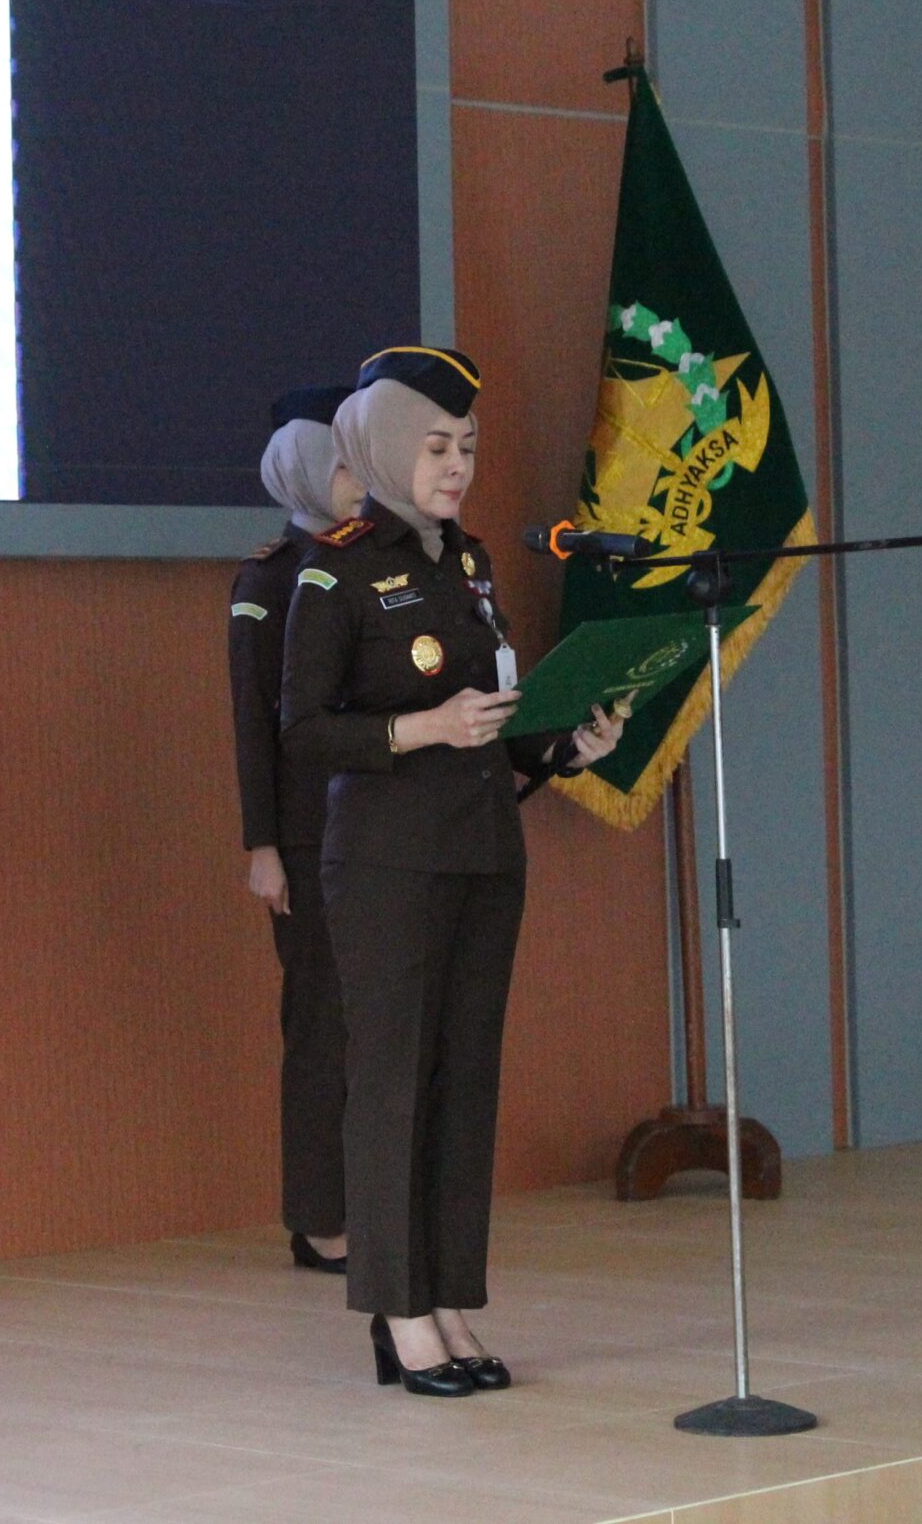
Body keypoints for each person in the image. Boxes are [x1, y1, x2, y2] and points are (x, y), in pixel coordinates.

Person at [281, 345, 625, 1397]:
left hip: (481, 852)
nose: (456, 466)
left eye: (467, 447)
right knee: (392, 1084)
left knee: (463, 1081)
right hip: (386, 862)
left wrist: (568, 746)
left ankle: (447, 1295)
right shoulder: (335, 572)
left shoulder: (468, 566)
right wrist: (421, 727)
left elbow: (498, 718)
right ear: (386, 450)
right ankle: (397, 1311)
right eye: (435, 447)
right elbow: (304, 730)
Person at [228, 385, 366, 1274]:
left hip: (376, 828)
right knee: (321, 1026)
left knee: (370, 1028)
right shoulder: (271, 579)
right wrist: (264, 846)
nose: (360, 478)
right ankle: (320, 1220)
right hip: (307, 837)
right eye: (343, 461)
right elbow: (253, 721)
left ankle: (366, 1203)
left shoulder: (373, 564)